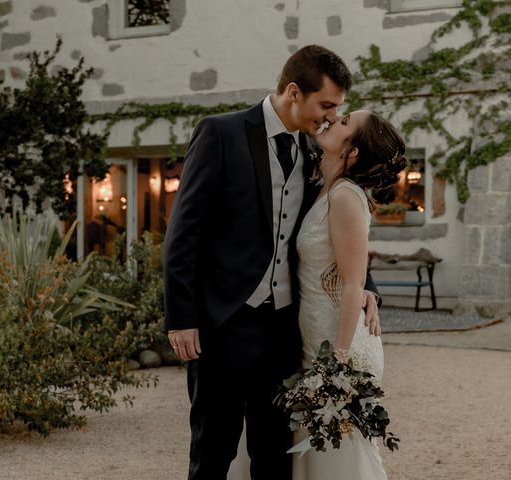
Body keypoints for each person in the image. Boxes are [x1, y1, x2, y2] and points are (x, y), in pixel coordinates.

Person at [163, 45, 382, 480]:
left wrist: (366, 283)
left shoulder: (316, 150)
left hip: (285, 330)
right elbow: (183, 233)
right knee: (213, 452)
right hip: (223, 324)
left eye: (337, 109)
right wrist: (181, 316)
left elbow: (334, 227)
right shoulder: (220, 133)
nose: (331, 116)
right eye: (327, 105)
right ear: (294, 92)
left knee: (274, 455)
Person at [293, 110, 406, 480]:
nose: (335, 118)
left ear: (352, 150)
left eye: (344, 123)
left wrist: (337, 367)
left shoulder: (344, 196)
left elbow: (353, 282)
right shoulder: (324, 186)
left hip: (334, 342)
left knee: (337, 451)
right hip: (314, 328)